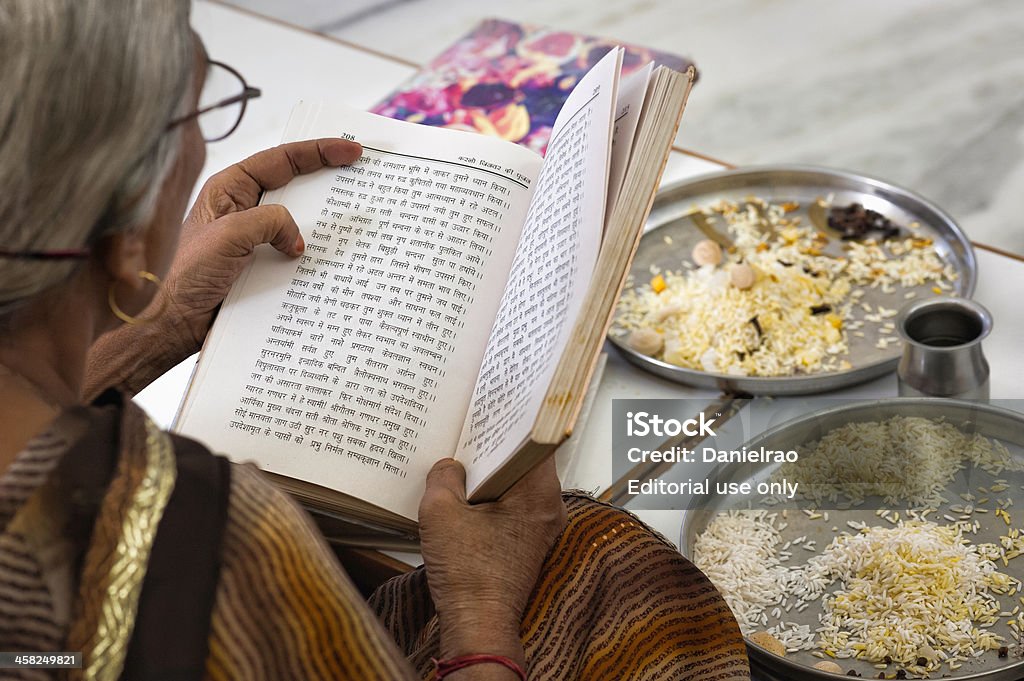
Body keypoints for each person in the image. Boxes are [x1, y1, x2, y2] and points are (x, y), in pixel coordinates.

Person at [0, 1, 750, 679]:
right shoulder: (201, 536)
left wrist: (161, 322)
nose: (203, 147)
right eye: (196, 115)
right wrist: (479, 617)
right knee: (610, 564)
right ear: (124, 226)